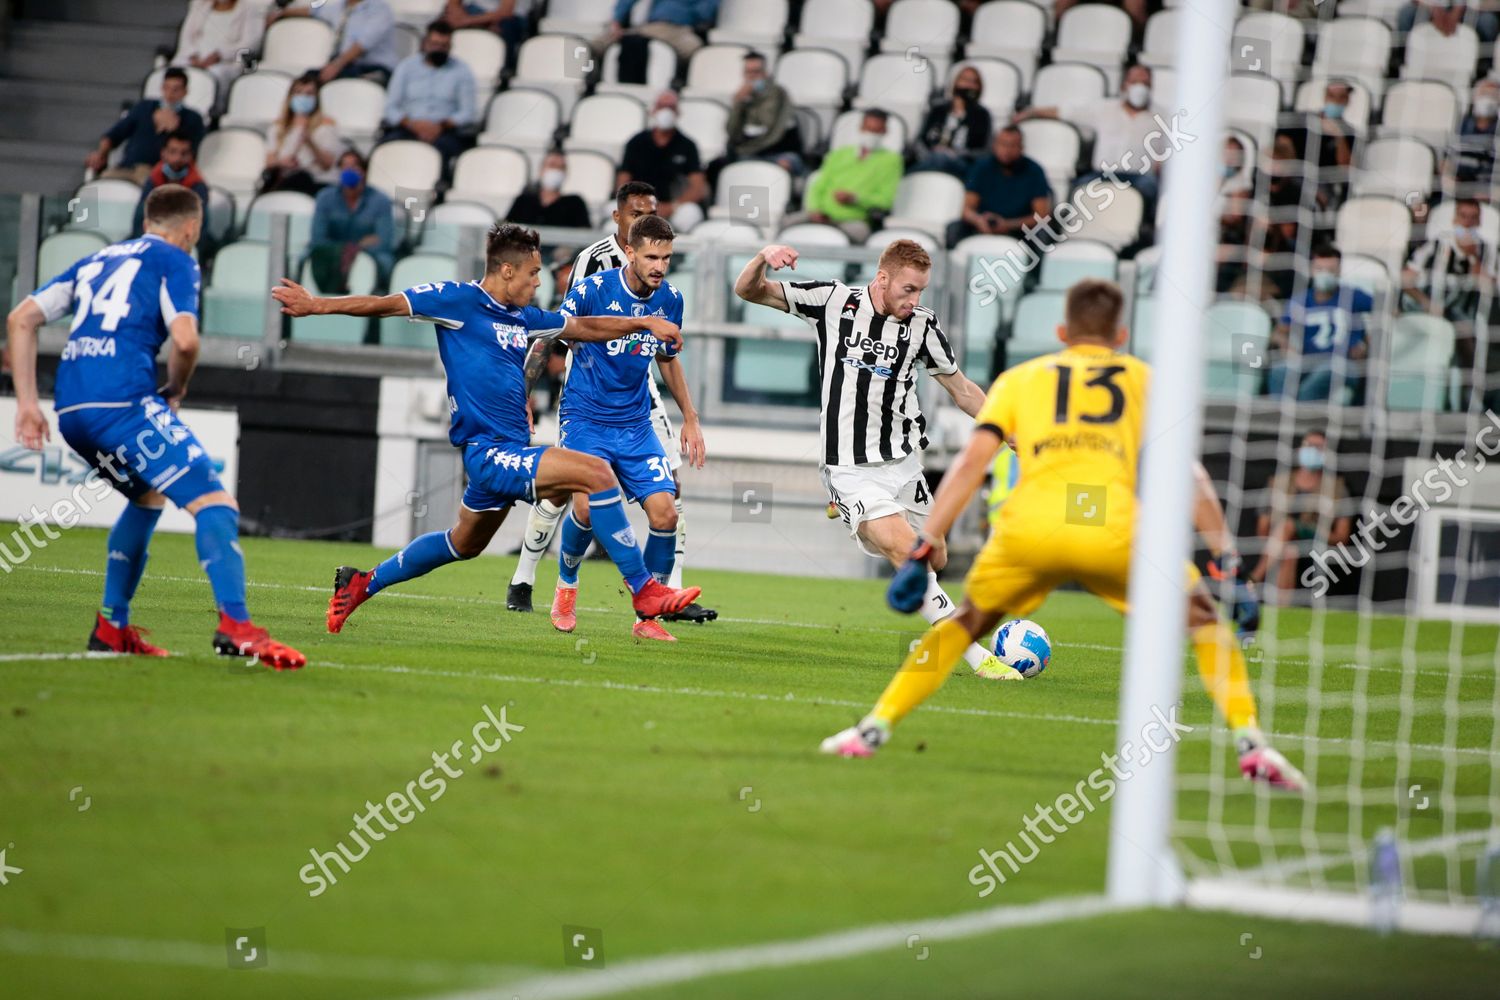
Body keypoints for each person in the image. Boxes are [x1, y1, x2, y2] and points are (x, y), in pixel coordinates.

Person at [816, 278, 1305, 795]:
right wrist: (1228, 561)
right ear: (1120, 334)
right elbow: (1191, 477)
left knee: (962, 626)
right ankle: (1252, 743)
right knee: (1205, 622)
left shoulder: (1021, 379)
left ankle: (872, 729)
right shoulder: (1145, 380)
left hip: (1033, 530)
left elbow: (970, 464)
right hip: (1114, 529)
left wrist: (923, 548)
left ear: (1060, 330)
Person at [268, 223, 705, 633]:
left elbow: (584, 327)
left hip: (510, 449)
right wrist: (318, 305)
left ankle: (361, 583)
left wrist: (644, 322)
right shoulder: (455, 301)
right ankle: (644, 591)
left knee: (463, 543)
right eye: (534, 273)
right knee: (596, 475)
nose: (538, 283)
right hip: (488, 450)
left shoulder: (524, 318)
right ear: (507, 269)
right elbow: (385, 304)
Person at [6, 184, 305, 669]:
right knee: (215, 502)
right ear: (190, 228)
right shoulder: (176, 260)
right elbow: (186, 342)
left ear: (146, 220)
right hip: (124, 402)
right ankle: (237, 626)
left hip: (72, 411)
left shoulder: (95, 261)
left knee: (147, 498)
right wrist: (177, 389)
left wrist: (25, 403)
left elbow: (21, 319)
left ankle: (111, 627)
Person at [735, 238, 1014, 679]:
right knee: (908, 552)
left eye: (921, 290)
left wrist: (1009, 430)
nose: (914, 299)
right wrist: (761, 258)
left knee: (934, 559)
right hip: (848, 466)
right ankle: (976, 655)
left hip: (904, 465)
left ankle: (860, 516)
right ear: (882, 278)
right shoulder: (832, 301)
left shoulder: (922, 326)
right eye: (908, 289)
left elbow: (961, 389)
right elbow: (748, 291)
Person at [509, 182, 718, 625]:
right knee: (583, 506)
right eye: (651, 258)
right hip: (585, 414)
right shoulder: (592, 286)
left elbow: (668, 359)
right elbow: (561, 330)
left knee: (664, 512)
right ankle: (565, 585)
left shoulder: (672, 299)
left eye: (666, 258)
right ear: (630, 252)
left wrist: (691, 418)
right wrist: (524, 392)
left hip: (636, 419)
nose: (660, 267)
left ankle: (650, 617)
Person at [1016, 63, 1167, 203]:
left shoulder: (1162, 118)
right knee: (1079, 188)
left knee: (1151, 188)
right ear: (1124, 85)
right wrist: (1031, 112)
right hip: (1102, 174)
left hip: (1138, 177)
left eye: (1145, 84)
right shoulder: (1104, 108)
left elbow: (1167, 155)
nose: (1140, 88)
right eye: (1134, 82)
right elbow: (1067, 111)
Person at [1402, 197, 1494, 403]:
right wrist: (1426, 303)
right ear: (1454, 219)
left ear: (1479, 222)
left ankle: (1471, 397)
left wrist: (1472, 258)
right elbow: (1405, 280)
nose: (1467, 223)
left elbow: (1489, 286)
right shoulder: (1434, 247)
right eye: (1463, 216)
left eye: (1473, 218)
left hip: (1461, 314)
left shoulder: (1488, 251)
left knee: (1466, 332)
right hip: (1425, 306)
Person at [1251, 431, 1353, 598]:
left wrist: (1311, 529)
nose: (1314, 451)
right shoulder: (1277, 483)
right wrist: (1278, 543)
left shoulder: (1337, 488)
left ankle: (1253, 578)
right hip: (1279, 547)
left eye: (1319, 447)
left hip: (1317, 545)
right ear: (1300, 449)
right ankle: (1282, 613)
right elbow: (1262, 528)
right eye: (1310, 446)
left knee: (1288, 525)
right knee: (1289, 551)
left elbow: (1342, 537)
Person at [1266, 245, 1372, 402]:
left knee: (1327, 371)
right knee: (1279, 371)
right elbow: (1278, 332)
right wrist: (1285, 344)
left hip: (1343, 363)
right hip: (1307, 361)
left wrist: (1367, 344)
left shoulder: (1353, 296)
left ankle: (1300, 410)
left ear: (1339, 271)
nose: (1325, 274)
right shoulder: (1300, 300)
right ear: (1311, 270)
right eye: (1320, 269)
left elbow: (1388, 313)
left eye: (1331, 269)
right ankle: (1280, 416)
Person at [788, 109, 903, 243]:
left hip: (853, 220)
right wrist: (815, 210)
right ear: (861, 128)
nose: (871, 134)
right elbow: (817, 186)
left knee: (857, 233)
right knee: (786, 224)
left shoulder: (892, 161)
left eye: (876, 130)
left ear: (884, 132)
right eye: (868, 129)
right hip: (821, 214)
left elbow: (885, 200)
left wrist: (855, 199)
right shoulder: (839, 154)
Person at [381, 19, 478, 169]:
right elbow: (391, 108)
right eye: (434, 44)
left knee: (443, 153)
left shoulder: (462, 70)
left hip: (444, 131)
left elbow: (467, 112)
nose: (439, 49)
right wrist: (413, 125)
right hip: (409, 127)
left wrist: (440, 126)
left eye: (444, 46)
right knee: (387, 148)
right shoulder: (406, 67)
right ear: (425, 44)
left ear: (451, 46)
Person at [85, 68, 206, 185]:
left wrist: (174, 130)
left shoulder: (193, 118)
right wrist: (100, 153)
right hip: (127, 167)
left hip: (157, 172)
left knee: (149, 188)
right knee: (103, 184)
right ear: (162, 88)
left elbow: (189, 154)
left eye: (176, 89)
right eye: (166, 88)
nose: (170, 94)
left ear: (185, 92)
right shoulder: (144, 107)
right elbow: (114, 135)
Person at [945, 125, 1052, 248]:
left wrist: (1008, 224)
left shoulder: (1034, 171)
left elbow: (1041, 216)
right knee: (954, 229)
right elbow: (966, 210)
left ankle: (1034, 268)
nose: (1006, 150)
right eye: (1003, 144)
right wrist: (979, 220)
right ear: (994, 145)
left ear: (1021, 148)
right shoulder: (981, 167)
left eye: (1012, 145)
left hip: (1019, 229)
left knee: (1042, 234)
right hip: (983, 225)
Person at [617, 91, 710, 232]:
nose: (666, 111)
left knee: (690, 213)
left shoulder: (687, 145)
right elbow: (623, 181)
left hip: (673, 206)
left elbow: (698, 187)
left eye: (671, 107)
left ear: (678, 112)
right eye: (662, 106)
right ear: (654, 110)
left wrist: (673, 206)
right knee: (613, 211)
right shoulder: (636, 142)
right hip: (639, 205)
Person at [309, 149, 396, 284]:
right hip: (332, 253)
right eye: (344, 167)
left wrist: (355, 252)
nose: (348, 171)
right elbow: (318, 238)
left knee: (385, 261)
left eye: (354, 166)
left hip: (368, 255)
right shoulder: (325, 198)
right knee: (308, 256)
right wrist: (351, 248)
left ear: (364, 171)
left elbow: (384, 242)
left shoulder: (381, 200)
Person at [714, 51, 800, 181]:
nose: (752, 77)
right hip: (748, 152)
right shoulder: (742, 98)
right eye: (748, 72)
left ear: (765, 73)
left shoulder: (778, 94)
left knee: (782, 165)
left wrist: (755, 99)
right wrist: (738, 104)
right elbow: (732, 132)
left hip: (778, 152)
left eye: (757, 72)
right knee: (716, 167)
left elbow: (768, 124)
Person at [271, 0, 400, 85]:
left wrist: (336, 65)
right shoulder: (338, 7)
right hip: (345, 66)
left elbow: (363, 44)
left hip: (375, 68)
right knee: (306, 80)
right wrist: (282, 13)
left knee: (341, 81)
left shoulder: (380, 9)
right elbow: (314, 10)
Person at [260, 72, 344, 195]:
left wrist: (309, 142)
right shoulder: (277, 127)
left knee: (301, 179)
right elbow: (270, 161)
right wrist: (282, 162)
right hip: (285, 179)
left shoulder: (326, 125)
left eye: (309, 93)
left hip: (317, 182)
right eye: (298, 92)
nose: (303, 97)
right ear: (290, 97)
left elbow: (328, 164)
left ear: (316, 98)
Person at [172, 0, 263, 103]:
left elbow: (251, 44)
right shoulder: (200, 5)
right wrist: (193, 55)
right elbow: (186, 36)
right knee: (174, 70)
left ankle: (209, 111)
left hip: (227, 61)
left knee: (215, 73)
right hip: (195, 59)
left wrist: (220, 55)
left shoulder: (250, 9)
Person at [914, 65, 993, 178]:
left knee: (941, 158)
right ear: (956, 82)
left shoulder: (982, 115)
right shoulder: (937, 109)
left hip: (961, 164)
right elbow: (920, 141)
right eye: (965, 80)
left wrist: (956, 154)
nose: (968, 85)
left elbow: (984, 151)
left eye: (974, 82)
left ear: (979, 87)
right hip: (930, 158)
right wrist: (929, 155)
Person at [132, 132, 210, 238]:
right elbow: (141, 219)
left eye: (184, 153)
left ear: (191, 155)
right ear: (163, 153)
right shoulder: (153, 180)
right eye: (172, 152)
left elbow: (199, 227)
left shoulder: (198, 185)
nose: (177, 158)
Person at [597, 0, 722, 63]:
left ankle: (675, 89)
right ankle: (588, 81)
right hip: (651, 28)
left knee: (695, 51)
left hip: (681, 30)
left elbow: (705, 14)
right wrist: (617, 20)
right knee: (597, 44)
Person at [505, 150, 592, 228]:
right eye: (552, 165)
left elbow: (584, 235)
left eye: (561, 167)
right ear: (541, 170)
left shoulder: (575, 203)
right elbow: (504, 230)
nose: (557, 171)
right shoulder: (523, 201)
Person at [443, 0, 533, 65]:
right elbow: (453, 3)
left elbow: (506, 11)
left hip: (511, 18)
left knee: (507, 26)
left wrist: (467, 21)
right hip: (474, 11)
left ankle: (505, 70)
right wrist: (457, 16)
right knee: (441, 24)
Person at [1449, 79, 1498, 191]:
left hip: (1486, 190)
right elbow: (1445, 159)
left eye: (1493, 95)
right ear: (1475, 96)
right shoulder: (1459, 123)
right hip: (1455, 185)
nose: (1488, 99)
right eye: (1484, 94)